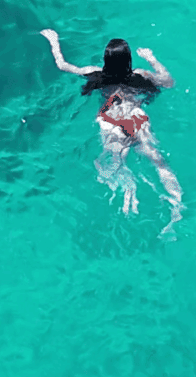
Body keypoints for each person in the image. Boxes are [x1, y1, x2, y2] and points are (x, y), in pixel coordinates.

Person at [41, 29, 184, 231]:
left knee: (117, 161)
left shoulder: (95, 73)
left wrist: (53, 41)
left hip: (112, 121)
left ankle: (128, 198)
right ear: (129, 60)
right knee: (156, 159)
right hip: (135, 117)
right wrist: (152, 59)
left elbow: (63, 65)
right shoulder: (140, 75)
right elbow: (169, 82)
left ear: (105, 59)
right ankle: (177, 203)